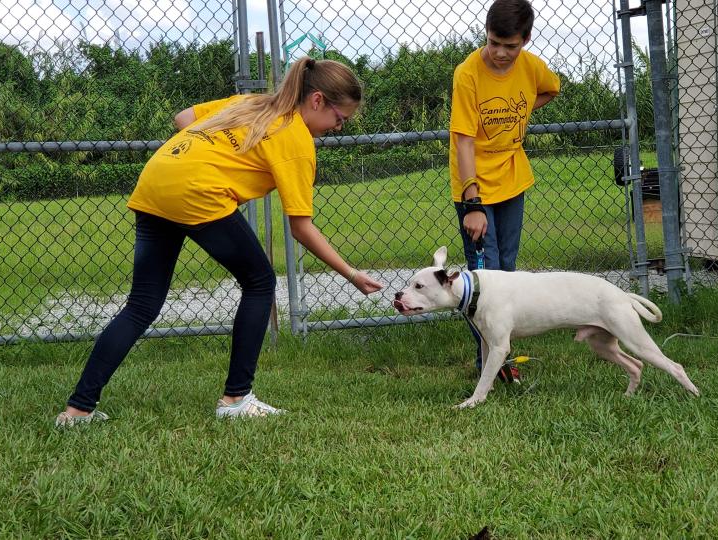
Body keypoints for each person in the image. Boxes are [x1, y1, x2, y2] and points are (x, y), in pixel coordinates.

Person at [55, 57, 383, 427]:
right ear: (318, 100)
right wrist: (351, 274)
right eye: (340, 119)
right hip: (197, 192)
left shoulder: (253, 103)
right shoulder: (296, 140)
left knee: (142, 303)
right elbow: (301, 228)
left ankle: (78, 410)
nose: (338, 128)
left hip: (157, 180)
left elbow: (184, 118)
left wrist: (222, 157)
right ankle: (236, 399)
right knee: (260, 282)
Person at [449, 0, 560, 382]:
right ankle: (490, 366)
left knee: (507, 274)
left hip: (513, 181)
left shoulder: (531, 68)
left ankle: (501, 359)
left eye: (509, 46)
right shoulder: (468, 74)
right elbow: (463, 141)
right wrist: (473, 202)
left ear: (525, 40)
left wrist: (526, 109)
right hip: (474, 186)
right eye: (494, 42)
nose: (499, 53)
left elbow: (551, 89)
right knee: (484, 279)